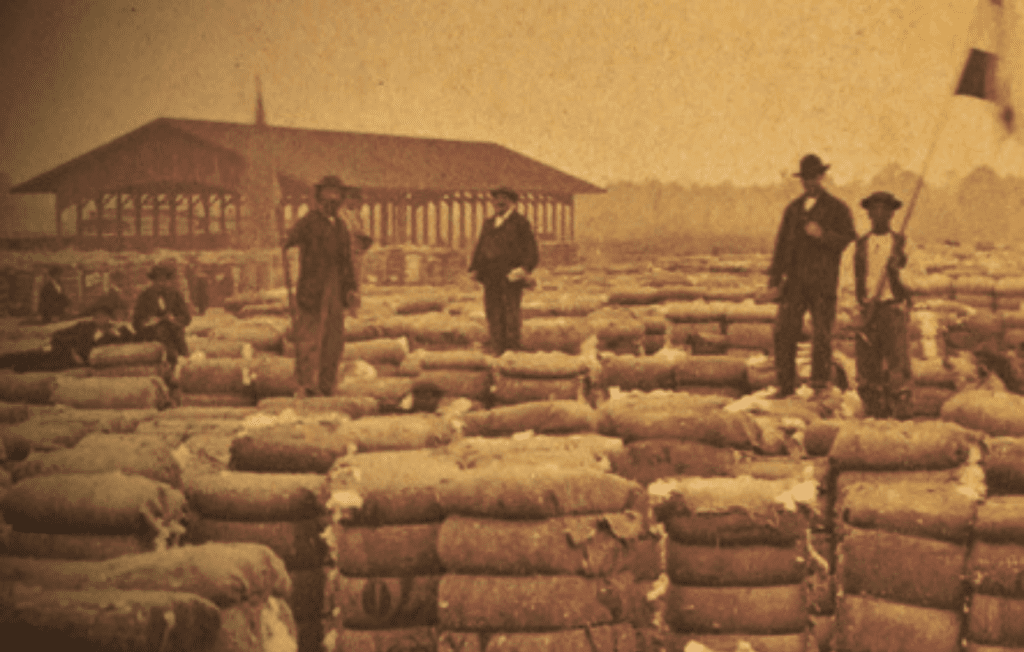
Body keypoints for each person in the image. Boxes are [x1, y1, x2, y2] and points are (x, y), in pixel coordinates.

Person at [767, 154, 856, 397]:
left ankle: (819, 384)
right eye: (805, 179)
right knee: (784, 331)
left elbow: (849, 239)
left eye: (814, 177)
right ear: (802, 180)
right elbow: (781, 246)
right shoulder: (793, 210)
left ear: (822, 177)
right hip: (794, 282)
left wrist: (823, 235)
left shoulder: (837, 208)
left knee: (822, 334)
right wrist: (774, 281)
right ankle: (785, 384)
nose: (810, 183)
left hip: (823, 282)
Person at [284, 175, 359, 397]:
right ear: (319, 198)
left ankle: (327, 384)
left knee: (334, 338)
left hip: (336, 286)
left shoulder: (342, 227)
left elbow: (347, 261)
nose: (332, 201)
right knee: (309, 338)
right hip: (313, 286)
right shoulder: (309, 221)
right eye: (328, 196)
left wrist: (351, 288)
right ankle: (306, 384)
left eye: (336, 197)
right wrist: (287, 239)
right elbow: (290, 239)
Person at [854, 191, 912, 418]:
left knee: (898, 366)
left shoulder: (902, 244)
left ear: (891, 215)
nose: (879, 214)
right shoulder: (860, 245)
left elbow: (913, 280)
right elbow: (852, 279)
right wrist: (857, 310)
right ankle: (874, 415)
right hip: (868, 310)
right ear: (868, 214)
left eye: (884, 210)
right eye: (874, 209)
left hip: (892, 309)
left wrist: (898, 271)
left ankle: (901, 416)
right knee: (868, 368)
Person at [469, 186, 539, 355]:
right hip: (491, 276)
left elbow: (532, 250)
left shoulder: (520, 223)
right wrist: (475, 267)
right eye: (496, 199)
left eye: (504, 199)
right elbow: (481, 246)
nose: (499, 203)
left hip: (510, 276)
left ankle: (512, 349)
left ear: (512, 203)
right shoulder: (489, 223)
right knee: (492, 312)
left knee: (510, 312)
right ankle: (496, 347)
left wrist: (524, 269)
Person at [1, 295, 133, 372]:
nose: (99, 319)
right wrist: (70, 350)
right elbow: (60, 334)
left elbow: (128, 338)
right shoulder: (84, 326)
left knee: (34, 366)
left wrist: (82, 362)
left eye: (103, 317)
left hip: (73, 363)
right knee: (31, 355)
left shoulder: (112, 335)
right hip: (63, 351)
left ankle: (15, 368)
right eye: (97, 316)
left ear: (109, 318)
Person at [133, 260, 191, 364]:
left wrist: (174, 319)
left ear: (168, 281)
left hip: (174, 331)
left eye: (164, 280)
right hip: (152, 334)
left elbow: (186, 317)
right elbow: (137, 321)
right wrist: (150, 321)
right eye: (157, 280)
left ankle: (182, 361)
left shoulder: (175, 295)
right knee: (162, 335)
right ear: (153, 281)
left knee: (178, 337)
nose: (161, 283)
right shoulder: (145, 296)